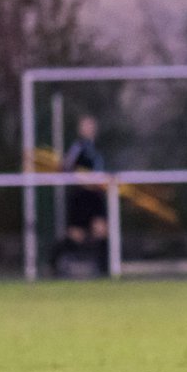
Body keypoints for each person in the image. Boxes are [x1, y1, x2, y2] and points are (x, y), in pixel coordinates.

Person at [50, 115, 109, 276]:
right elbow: (65, 167)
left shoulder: (99, 147)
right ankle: (53, 263)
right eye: (85, 126)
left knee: (102, 230)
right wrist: (81, 178)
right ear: (80, 129)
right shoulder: (78, 146)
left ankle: (105, 269)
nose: (89, 129)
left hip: (96, 196)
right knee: (76, 235)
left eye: (91, 126)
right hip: (81, 196)